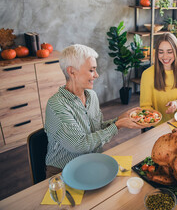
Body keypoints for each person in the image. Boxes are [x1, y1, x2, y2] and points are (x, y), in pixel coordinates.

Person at [45, 44, 139, 178]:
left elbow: (96, 129)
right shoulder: (56, 105)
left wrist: (119, 119)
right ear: (72, 72)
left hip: (92, 161)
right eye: (91, 70)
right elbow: (80, 145)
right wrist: (117, 125)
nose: (96, 75)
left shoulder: (91, 95)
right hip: (63, 171)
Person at [140, 33, 177, 125]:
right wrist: (156, 119)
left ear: (176, 51)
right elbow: (145, 107)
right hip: (155, 126)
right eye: (161, 52)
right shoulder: (147, 74)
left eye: (169, 51)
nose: (165, 56)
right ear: (157, 53)